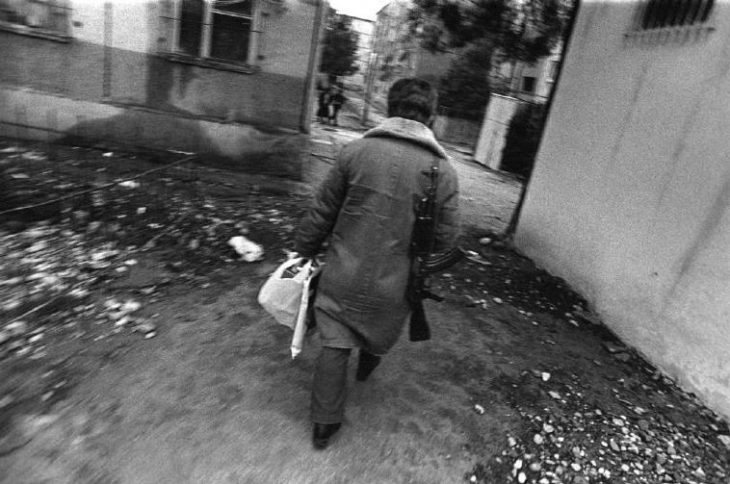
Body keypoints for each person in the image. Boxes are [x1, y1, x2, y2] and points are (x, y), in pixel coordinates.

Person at [294, 78, 460, 450]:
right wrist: (419, 271)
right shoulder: (444, 173)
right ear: (431, 117)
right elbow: (448, 242)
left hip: (342, 271)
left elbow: (322, 212)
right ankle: (368, 364)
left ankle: (324, 426)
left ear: (389, 108)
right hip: (395, 286)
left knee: (334, 344)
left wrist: (302, 249)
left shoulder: (354, 153)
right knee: (377, 329)